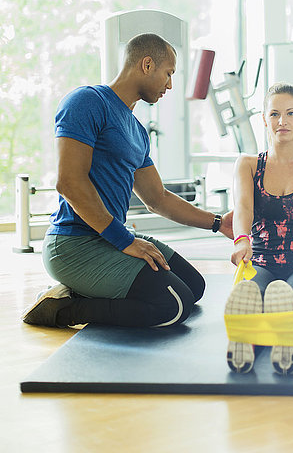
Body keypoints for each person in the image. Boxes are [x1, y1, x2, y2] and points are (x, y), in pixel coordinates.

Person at [22, 33, 232, 330]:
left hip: (108, 240)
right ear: (147, 64)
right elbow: (69, 182)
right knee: (173, 305)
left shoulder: (136, 129)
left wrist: (217, 222)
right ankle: (66, 307)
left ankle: (89, 288)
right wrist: (125, 241)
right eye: (168, 73)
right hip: (73, 246)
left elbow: (157, 198)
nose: (170, 85)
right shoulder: (87, 102)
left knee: (194, 286)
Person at [225, 82, 293, 375]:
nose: (282, 121)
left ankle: (289, 345)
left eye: (290, 113)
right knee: (254, 294)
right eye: (274, 114)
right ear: (264, 119)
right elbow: (244, 208)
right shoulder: (248, 164)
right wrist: (240, 240)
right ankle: (245, 342)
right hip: (261, 261)